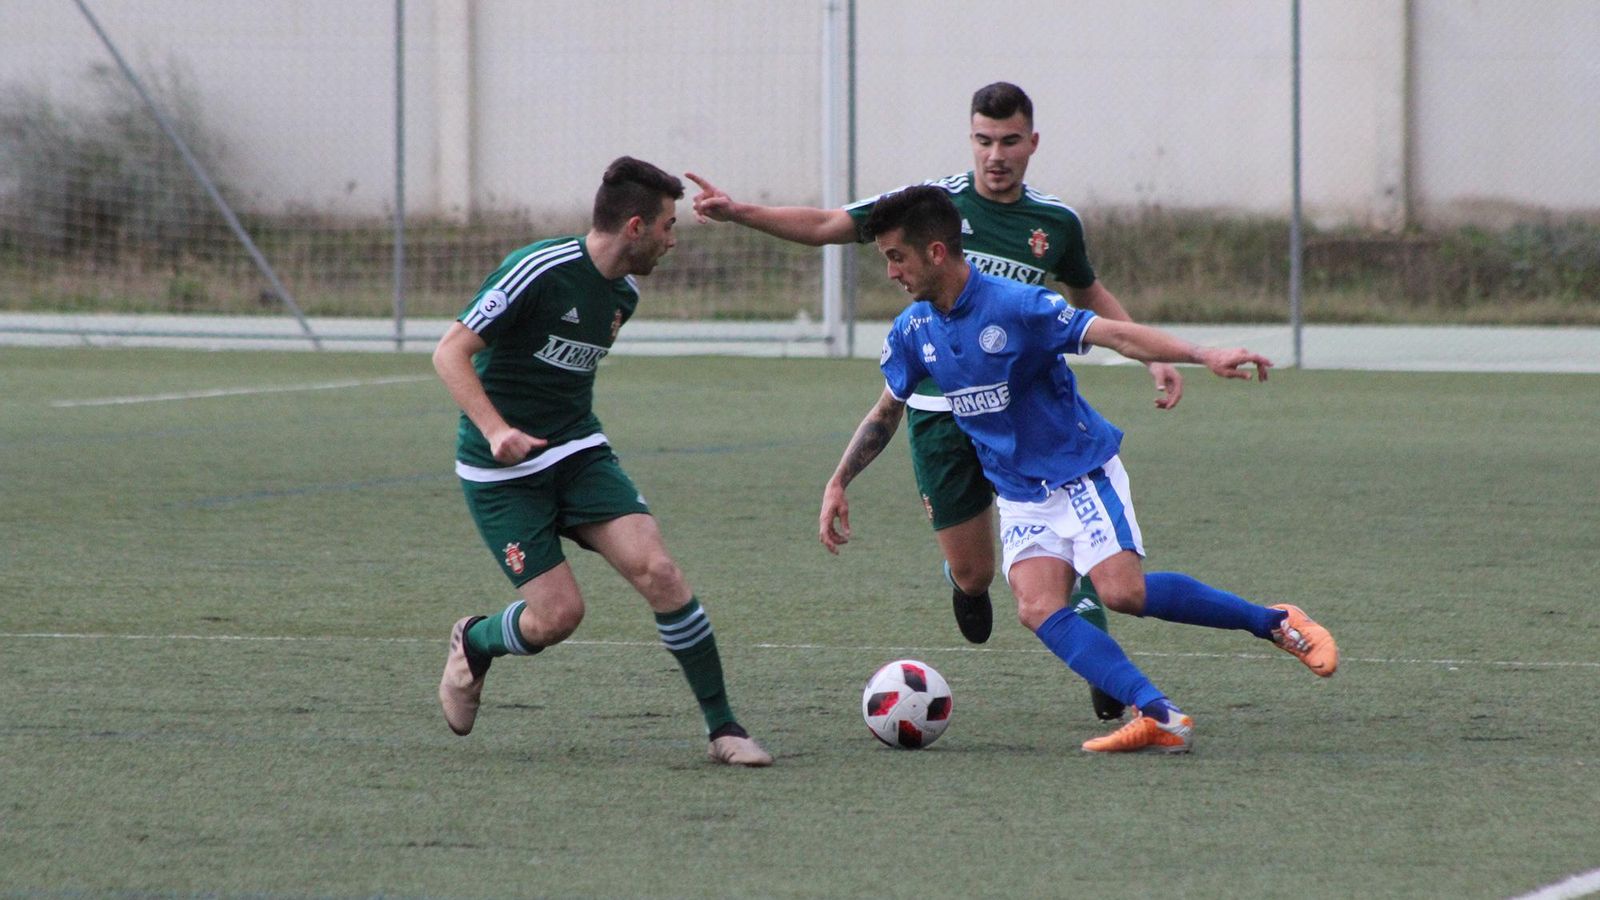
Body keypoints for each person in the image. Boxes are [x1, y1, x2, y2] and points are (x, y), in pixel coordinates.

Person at [688, 82, 1176, 722]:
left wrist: (1155, 355)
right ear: (970, 139)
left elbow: (1088, 292)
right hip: (940, 415)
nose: (995, 155)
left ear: (1032, 143)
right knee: (975, 576)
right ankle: (970, 583)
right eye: (982, 140)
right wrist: (740, 212)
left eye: (1008, 141)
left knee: (1073, 537)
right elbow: (830, 224)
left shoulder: (1055, 223)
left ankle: (1097, 651)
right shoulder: (930, 208)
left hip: (1031, 415)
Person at [823, 184, 1337, 753]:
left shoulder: (1015, 306)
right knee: (1037, 605)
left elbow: (1110, 331)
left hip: (1078, 471)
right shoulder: (914, 329)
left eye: (897, 257)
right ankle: (1160, 715)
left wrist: (1201, 353)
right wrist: (839, 480)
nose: (891, 272)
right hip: (1019, 492)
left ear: (937, 253)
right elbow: (887, 409)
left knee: (1123, 594)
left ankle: (1275, 622)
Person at [432, 156, 772, 767]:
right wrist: (497, 430)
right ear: (636, 226)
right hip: (502, 471)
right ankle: (477, 641)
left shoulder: (625, 293)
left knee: (661, 572)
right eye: (669, 225)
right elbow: (450, 353)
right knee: (558, 617)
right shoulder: (537, 270)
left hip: (577, 452)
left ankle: (724, 728)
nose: (674, 240)